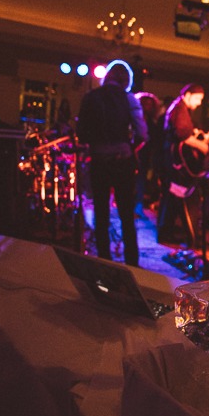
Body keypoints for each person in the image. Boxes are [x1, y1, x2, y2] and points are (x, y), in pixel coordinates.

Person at [77, 60, 148, 266]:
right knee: (126, 214)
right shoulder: (129, 99)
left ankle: (104, 262)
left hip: (98, 160)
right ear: (126, 80)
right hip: (122, 161)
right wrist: (128, 147)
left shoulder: (90, 98)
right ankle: (132, 265)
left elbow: (81, 134)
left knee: (101, 213)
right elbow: (142, 133)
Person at [157, 83, 209, 246]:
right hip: (175, 162)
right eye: (198, 99)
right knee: (178, 196)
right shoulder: (180, 109)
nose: (199, 103)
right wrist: (202, 145)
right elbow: (182, 135)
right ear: (188, 95)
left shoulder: (180, 108)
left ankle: (168, 232)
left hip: (171, 160)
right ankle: (180, 234)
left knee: (173, 197)